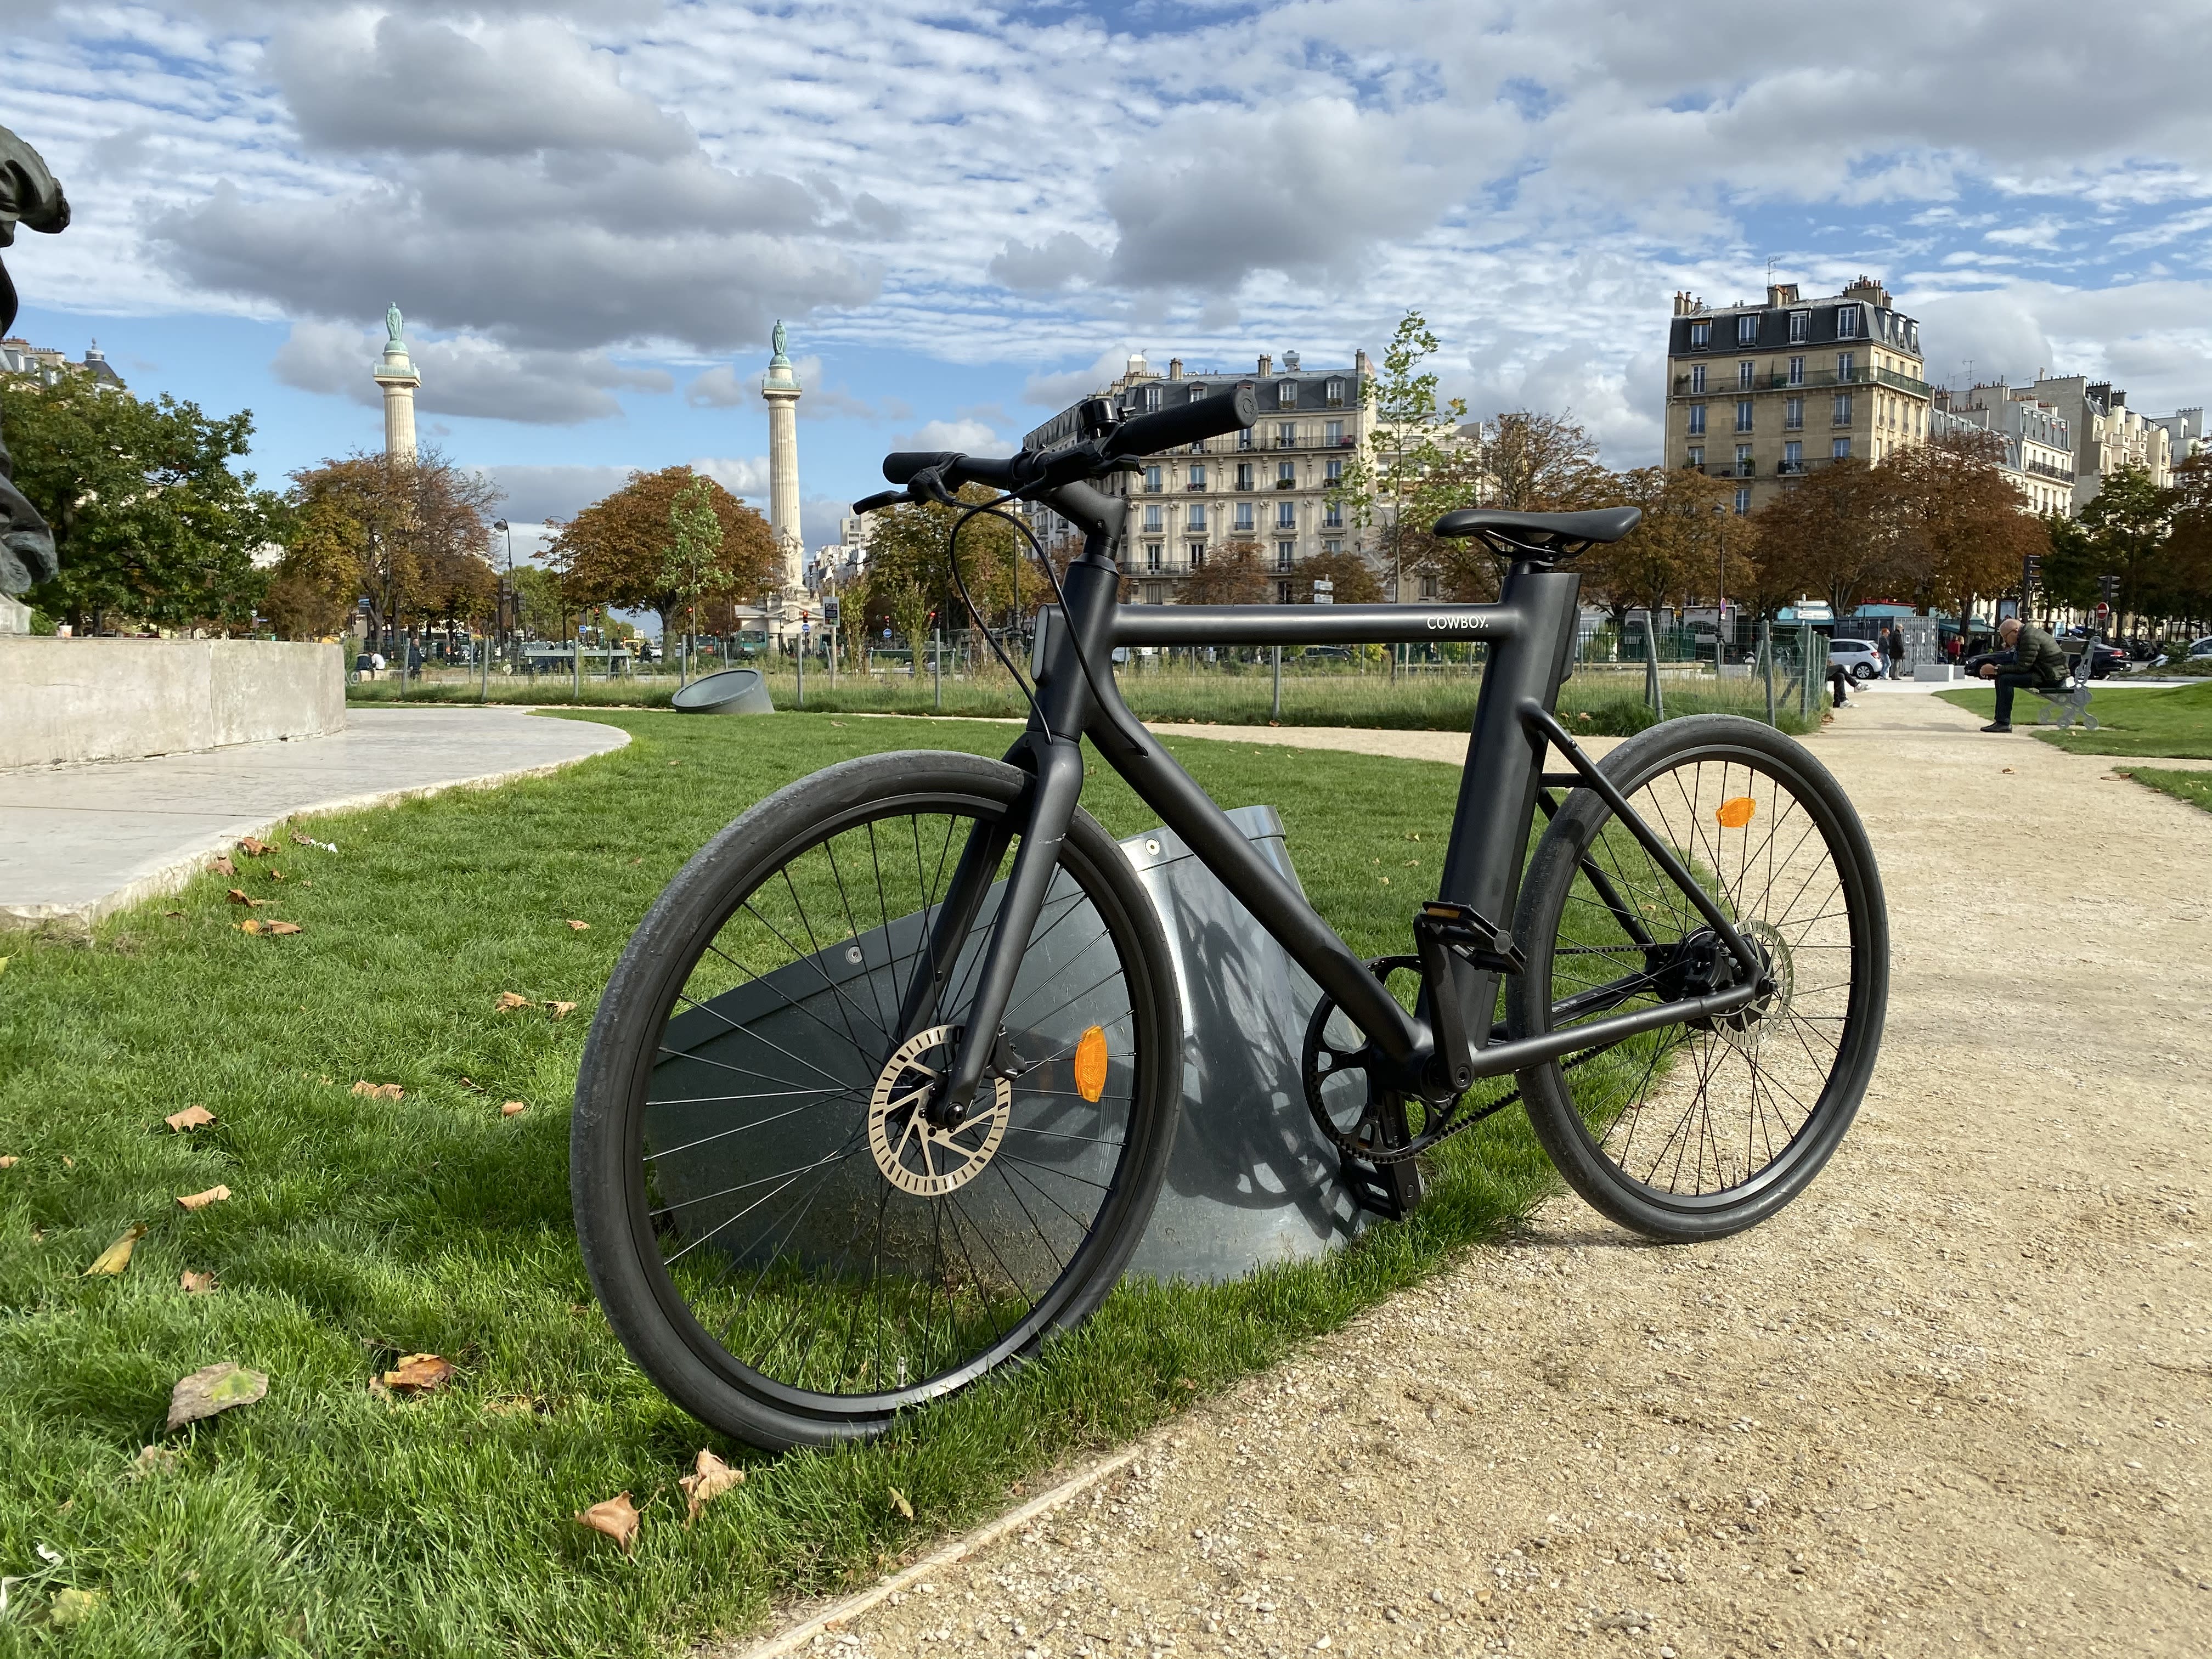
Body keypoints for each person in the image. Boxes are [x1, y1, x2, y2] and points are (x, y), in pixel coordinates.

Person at [1976, 616, 2067, 731]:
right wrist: (1998, 670)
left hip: (2051, 678)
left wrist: (1996, 670)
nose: (2005, 642)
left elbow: (2022, 668)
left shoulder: (2030, 638)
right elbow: (2022, 665)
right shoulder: (2027, 635)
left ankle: (2003, 722)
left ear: (2015, 631)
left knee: (2005, 679)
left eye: (2005, 637)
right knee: (2002, 678)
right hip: (2046, 673)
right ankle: (2001, 721)